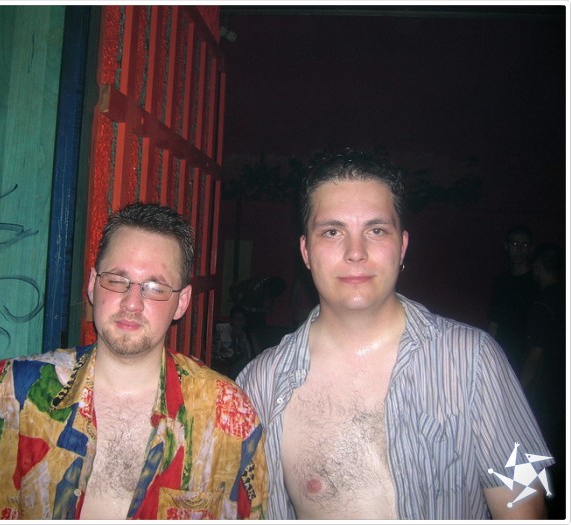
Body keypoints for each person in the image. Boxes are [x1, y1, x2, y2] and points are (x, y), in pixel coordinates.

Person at [0, 202, 268, 520]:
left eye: (154, 287)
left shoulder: (225, 413)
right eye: (117, 280)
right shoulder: (14, 390)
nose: (132, 303)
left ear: (181, 302)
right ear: (93, 285)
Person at [236, 150, 553, 520]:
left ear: (402, 246)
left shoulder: (475, 361)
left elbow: (524, 502)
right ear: (306, 251)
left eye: (376, 230)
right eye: (333, 232)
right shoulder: (261, 385)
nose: (356, 252)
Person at [520, 242, 566, 519]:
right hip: (562, 390)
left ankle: (539, 510)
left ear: (538, 267)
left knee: (535, 455)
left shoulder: (543, 303)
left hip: (544, 394)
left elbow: (534, 356)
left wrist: (519, 393)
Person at [487, 225, 538, 376]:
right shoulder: (501, 281)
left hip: (527, 353)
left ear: (531, 248)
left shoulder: (537, 282)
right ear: (507, 246)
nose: (519, 249)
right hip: (503, 351)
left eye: (524, 245)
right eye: (515, 244)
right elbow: (494, 323)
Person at [211, 305, 261, 380]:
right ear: (231, 320)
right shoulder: (223, 333)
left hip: (246, 373)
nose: (241, 322)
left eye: (243, 320)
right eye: (238, 319)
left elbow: (259, 354)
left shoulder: (249, 336)